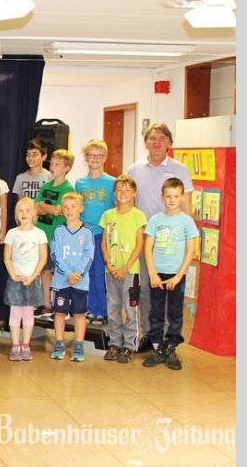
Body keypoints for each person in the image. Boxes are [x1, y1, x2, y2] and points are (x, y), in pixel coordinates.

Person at [126, 123, 194, 353]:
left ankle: (167, 337)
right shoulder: (134, 169)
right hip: (144, 239)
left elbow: (187, 206)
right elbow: (128, 203)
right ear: (145, 142)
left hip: (172, 241)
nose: (157, 142)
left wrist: (186, 240)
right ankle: (150, 334)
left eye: (162, 138)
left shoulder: (180, 169)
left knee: (170, 292)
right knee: (147, 288)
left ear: (169, 143)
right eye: (152, 138)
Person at [143, 178, 199, 371]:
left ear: (182, 197)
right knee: (156, 311)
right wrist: (152, 273)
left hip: (176, 274)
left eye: (176, 196)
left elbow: (190, 251)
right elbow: (148, 247)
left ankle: (171, 347)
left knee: (175, 312)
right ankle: (157, 347)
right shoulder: (155, 220)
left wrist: (178, 276)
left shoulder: (187, 221)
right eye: (168, 196)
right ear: (162, 197)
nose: (172, 200)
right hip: (157, 274)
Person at [100, 175, 147, 364]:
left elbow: (140, 245)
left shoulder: (138, 216)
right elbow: (104, 243)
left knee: (130, 308)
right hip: (111, 271)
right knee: (113, 307)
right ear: (114, 192)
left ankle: (129, 345)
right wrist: (108, 263)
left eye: (127, 190)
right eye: (119, 189)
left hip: (130, 272)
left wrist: (126, 268)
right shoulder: (108, 215)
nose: (123, 193)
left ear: (134, 193)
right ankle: (114, 343)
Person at [74, 140, 116, 325]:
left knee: (99, 273)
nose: (95, 159)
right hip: (84, 234)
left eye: (99, 155)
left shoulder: (111, 182)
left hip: (102, 234)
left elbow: (116, 208)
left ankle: (102, 310)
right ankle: (91, 308)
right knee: (87, 273)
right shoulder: (80, 183)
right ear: (85, 158)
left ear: (105, 158)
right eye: (91, 155)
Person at [49, 193, 94, 362]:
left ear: (81, 208)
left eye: (73, 207)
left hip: (80, 282)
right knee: (60, 313)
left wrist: (77, 275)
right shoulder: (58, 231)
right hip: (61, 281)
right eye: (66, 207)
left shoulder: (87, 232)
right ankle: (59, 343)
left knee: (79, 313)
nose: (69, 210)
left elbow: (89, 256)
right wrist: (68, 273)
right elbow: (55, 254)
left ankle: (79, 345)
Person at [3, 197, 48, 362]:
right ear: (16, 214)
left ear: (34, 213)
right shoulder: (12, 233)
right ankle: (15, 346)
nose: (24, 214)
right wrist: (14, 275)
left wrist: (33, 276)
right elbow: (7, 258)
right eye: (20, 210)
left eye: (28, 210)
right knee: (15, 313)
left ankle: (25, 345)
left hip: (32, 280)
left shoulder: (40, 234)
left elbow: (43, 259)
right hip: (15, 280)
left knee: (28, 314)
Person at [34, 149, 75, 316]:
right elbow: (36, 208)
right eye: (51, 164)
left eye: (57, 164)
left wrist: (44, 205)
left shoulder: (68, 188)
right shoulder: (45, 186)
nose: (52, 167)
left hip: (58, 237)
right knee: (44, 270)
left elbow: (59, 210)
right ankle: (46, 303)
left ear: (67, 168)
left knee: (59, 272)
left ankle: (61, 304)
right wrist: (46, 207)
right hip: (42, 236)